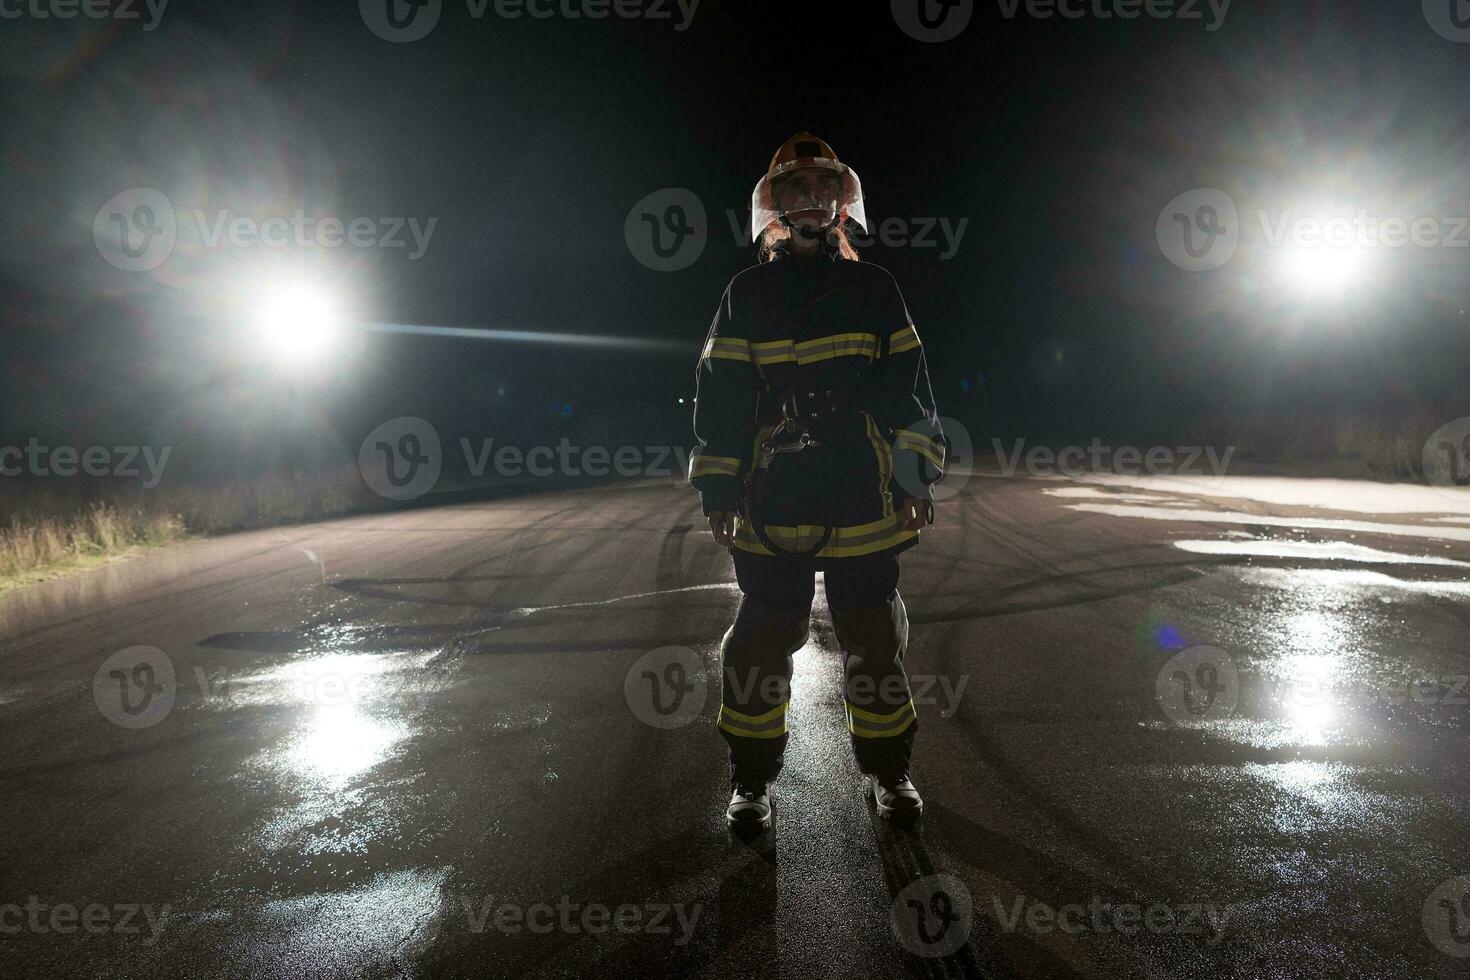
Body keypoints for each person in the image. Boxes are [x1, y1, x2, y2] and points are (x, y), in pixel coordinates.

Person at [688, 132, 945, 833]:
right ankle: (751, 781)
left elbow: (907, 391)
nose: (811, 200)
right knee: (762, 640)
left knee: (875, 636)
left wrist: (916, 474)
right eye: (796, 189)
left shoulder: (874, 288)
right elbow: (723, 399)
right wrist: (719, 487)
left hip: (864, 494)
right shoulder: (746, 294)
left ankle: (890, 774)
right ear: (774, 207)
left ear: (842, 203)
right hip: (776, 497)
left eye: (823, 188)